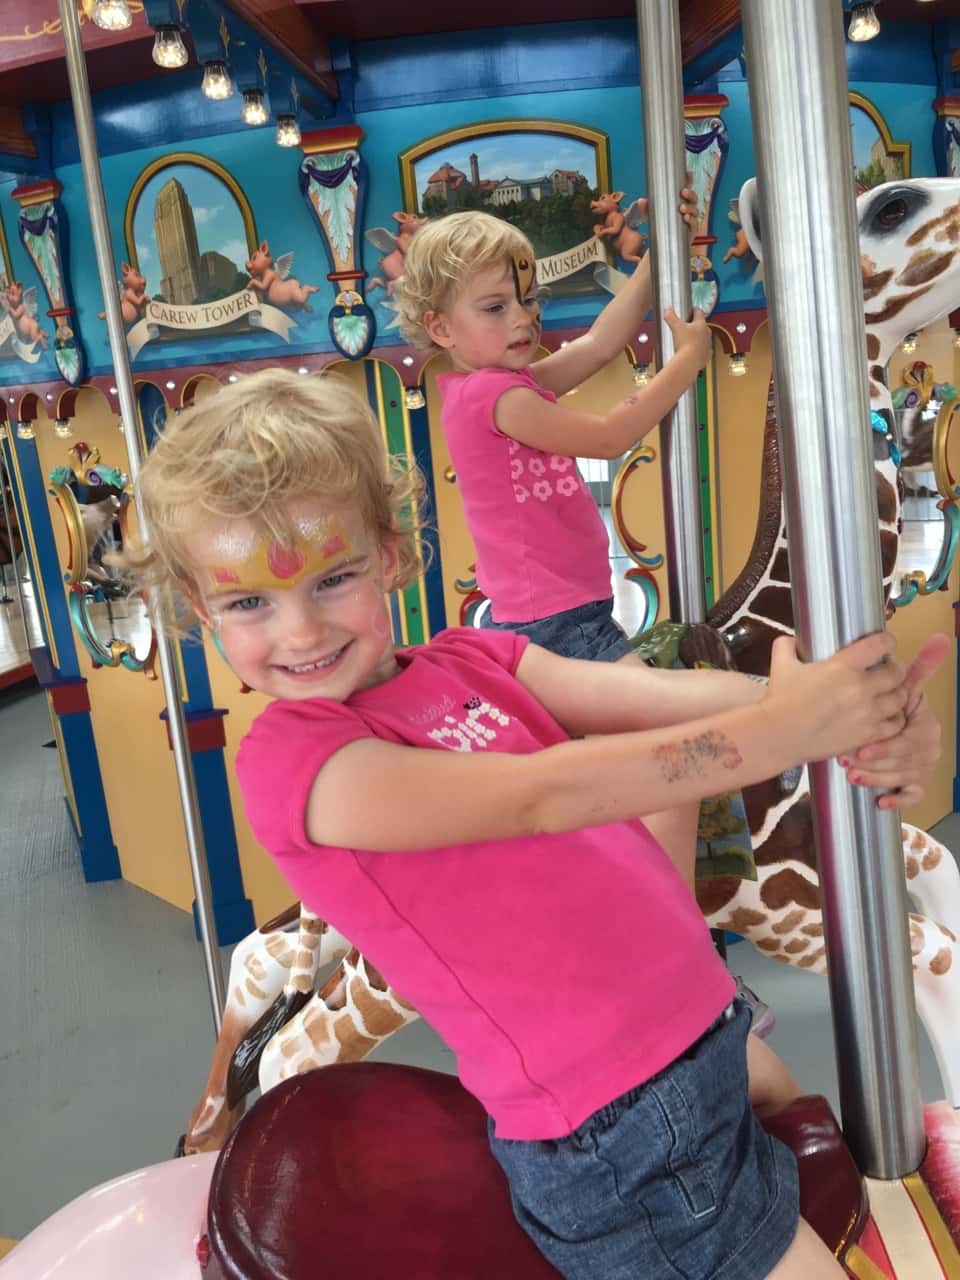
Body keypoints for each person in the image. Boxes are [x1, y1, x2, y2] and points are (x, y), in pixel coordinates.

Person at [126, 369, 944, 1280]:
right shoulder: (296, 762)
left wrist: (840, 712)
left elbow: (646, 694)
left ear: (392, 555)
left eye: (334, 577)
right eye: (249, 603)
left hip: (705, 1034)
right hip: (621, 1138)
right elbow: (543, 795)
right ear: (202, 613)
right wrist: (787, 729)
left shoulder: (476, 658)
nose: (299, 629)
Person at [392, 199, 710, 663]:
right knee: (666, 716)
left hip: (567, 610)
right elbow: (608, 437)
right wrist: (687, 362)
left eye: (528, 299)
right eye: (495, 307)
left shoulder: (499, 386)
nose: (522, 318)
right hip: (558, 621)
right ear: (441, 328)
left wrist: (660, 254)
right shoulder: (496, 398)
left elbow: (599, 344)